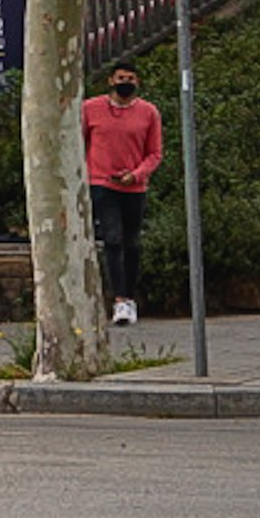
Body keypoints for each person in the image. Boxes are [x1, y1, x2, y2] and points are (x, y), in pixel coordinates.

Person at [79, 63, 163, 327]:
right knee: (112, 239)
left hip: (134, 186)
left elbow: (155, 153)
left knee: (132, 242)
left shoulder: (148, 113)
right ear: (110, 81)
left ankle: (130, 294)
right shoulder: (90, 109)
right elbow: (79, 143)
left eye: (130, 78)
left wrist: (136, 174)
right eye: (120, 78)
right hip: (101, 182)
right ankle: (120, 300)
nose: (125, 82)